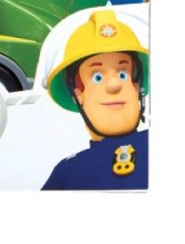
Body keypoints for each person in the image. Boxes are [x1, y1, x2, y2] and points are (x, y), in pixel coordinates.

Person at [42, 10, 149, 190]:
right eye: (97, 77)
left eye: (123, 74)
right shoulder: (68, 173)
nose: (114, 84)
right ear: (78, 95)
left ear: (137, 88)